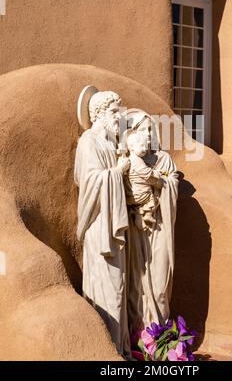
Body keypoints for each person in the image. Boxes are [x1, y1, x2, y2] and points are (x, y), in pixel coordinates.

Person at [74, 89, 131, 357]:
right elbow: (90, 181)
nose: (117, 116)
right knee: (107, 285)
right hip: (100, 226)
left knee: (118, 286)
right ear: (98, 113)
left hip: (114, 222)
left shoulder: (111, 143)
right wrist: (118, 172)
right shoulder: (89, 141)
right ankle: (106, 349)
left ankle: (118, 347)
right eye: (113, 111)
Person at [123, 112, 179, 334]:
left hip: (160, 226)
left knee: (159, 285)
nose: (149, 134)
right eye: (144, 129)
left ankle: (160, 335)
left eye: (150, 129)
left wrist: (161, 180)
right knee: (137, 286)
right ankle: (140, 337)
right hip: (136, 231)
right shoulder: (126, 161)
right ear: (132, 134)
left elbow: (172, 182)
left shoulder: (163, 159)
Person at [125, 130, 163, 230]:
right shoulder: (136, 160)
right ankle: (148, 214)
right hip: (141, 193)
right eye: (142, 146)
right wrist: (155, 174)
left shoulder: (134, 159)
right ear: (132, 147)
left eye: (146, 146)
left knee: (140, 205)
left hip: (134, 193)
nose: (145, 149)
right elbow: (144, 172)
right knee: (154, 197)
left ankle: (139, 216)